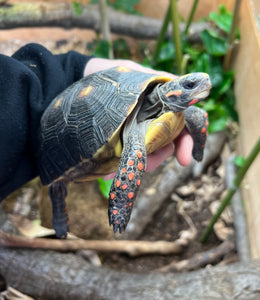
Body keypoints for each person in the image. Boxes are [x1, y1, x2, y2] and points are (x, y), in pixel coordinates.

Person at [0, 43, 193, 201]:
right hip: (66, 127)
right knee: (134, 152)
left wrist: (72, 69)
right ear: (172, 93)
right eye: (189, 85)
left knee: (194, 116)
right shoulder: (135, 135)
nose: (203, 84)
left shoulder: (182, 111)